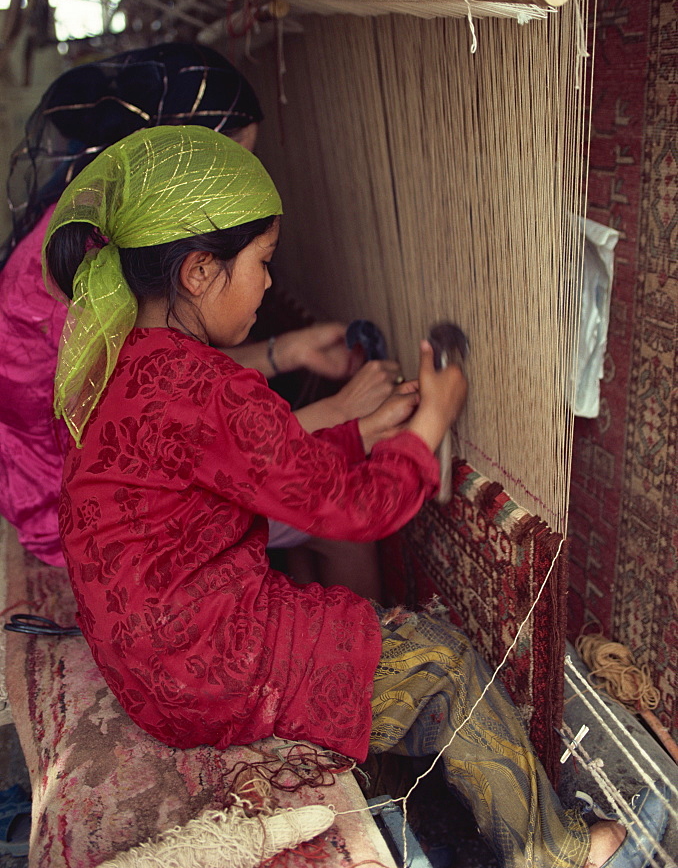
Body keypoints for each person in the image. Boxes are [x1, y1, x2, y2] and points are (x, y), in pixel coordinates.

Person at [43, 125, 667, 868]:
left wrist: (364, 431)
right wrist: (432, 417)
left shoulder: (125, 365)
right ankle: (558, 853)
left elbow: (256, 470)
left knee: (338, 618)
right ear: (200, 272)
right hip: (199, 666)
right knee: (439, 662)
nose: (270, 284)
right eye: (263, 264)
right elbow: (355, 511)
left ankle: (398, 764)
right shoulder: (213, 390)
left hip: (144, 663)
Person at [0, 43, 395, 596]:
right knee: (335, 520)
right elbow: (181, 441)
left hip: (86, 495)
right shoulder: (89, 272)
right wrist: (346, 416)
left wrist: (287, 352)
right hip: (77, 514)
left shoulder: (99, 231)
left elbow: (160, 388)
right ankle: (368, 664)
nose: (243, 183)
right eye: (226, 161)